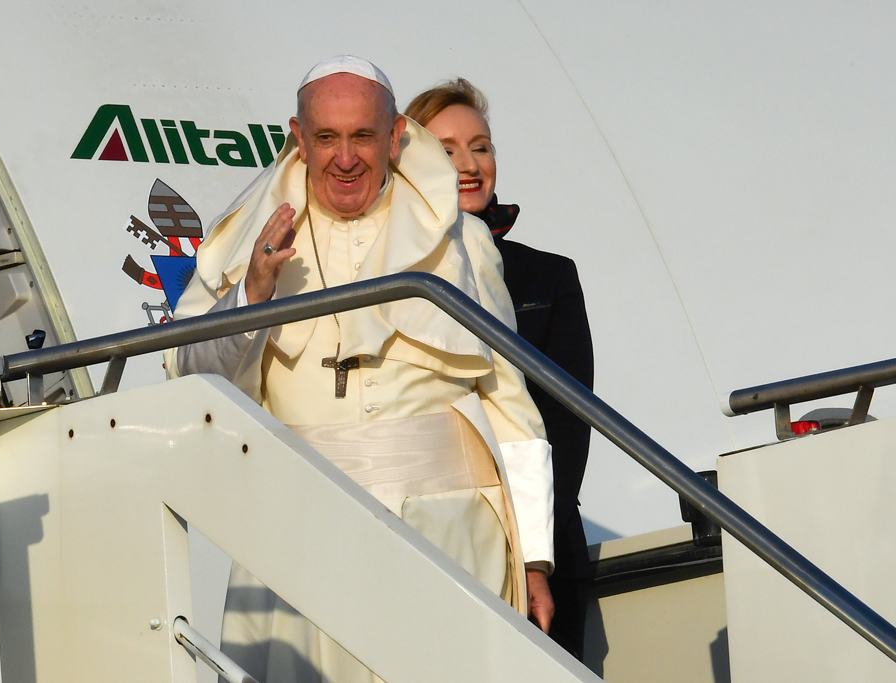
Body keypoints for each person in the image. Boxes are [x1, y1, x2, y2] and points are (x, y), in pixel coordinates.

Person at [165, 56, 555, 682]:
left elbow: (512, 404)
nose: (345, 158)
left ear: (396, 135)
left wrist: (536, 558)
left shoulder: (461, 240)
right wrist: (254, 294)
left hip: (449, 532)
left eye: (362, 136)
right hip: (304, 536)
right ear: (298, 137)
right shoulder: (248, 242)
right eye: (326, 138)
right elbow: (192, 377)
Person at [406, 78, 595, 660]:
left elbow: (568, 418)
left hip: (540, 539)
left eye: (480, 146)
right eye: (446, 149)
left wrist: (533, 540)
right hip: (436, 531)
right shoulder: (391, 273)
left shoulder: (548, 276)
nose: (468, 164)